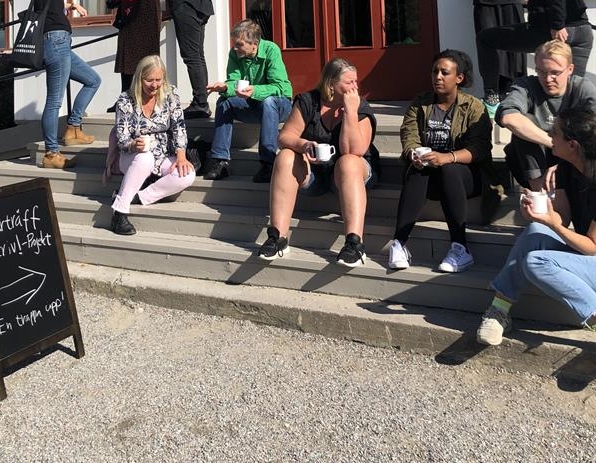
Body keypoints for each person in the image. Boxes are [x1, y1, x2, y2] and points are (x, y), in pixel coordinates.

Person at [476, 106, 596, 346]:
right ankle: (499, 311)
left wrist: (555, 226)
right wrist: (541, 215)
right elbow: (561, 216)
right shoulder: (564, 168)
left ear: (573, 145)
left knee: (537, 261)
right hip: (587, 254)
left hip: (592, 251)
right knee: (534, 232)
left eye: (555, 132)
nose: (549, 134)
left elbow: (593, 247)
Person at [257, 58, 378, 267]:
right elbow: (284, 137)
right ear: (331, 84)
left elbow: (354, 150)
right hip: (315, 175)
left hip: (350, 175)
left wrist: (350, 112)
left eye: (356, 82)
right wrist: (303, 145)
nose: (355, 87)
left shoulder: (360, 107)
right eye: (349, 83)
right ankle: (278, 237)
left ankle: (354, 243)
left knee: (348, 161)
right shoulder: (308, 101)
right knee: (285, 155)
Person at [388, 49, 493, 274]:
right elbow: (409, 135)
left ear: (459, 78)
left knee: (450, 170)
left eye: (444, 72)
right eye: (435, 71)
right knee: (418, 170)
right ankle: (399, 243)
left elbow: (481, 149)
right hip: (430, 177)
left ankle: (460, 247)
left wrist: (447, 158)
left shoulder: (474, 107)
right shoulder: (420, 104)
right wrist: (414, 153)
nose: (437, 76)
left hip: (465, 178)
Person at [109, 55, 195, 235]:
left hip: (162, 154)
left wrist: (181, 156)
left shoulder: (171, 94)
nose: (155, 85)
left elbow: (179, 127)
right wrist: (133, 145)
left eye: (158, 80)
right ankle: (119, 213)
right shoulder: (126, 99)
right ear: (139, 78)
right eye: (149, 80)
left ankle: (137, 197)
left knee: (187, 175)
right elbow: (122, 137)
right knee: (144, 158)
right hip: (132, 156)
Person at [496, 39, 596, 192]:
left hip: (572, 159)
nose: (548, 79)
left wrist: (565, 158)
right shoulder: (527, 85)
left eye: (555, 73)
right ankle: (540, 196)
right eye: (541, 71)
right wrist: (555, 143)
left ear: (570, 69)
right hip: (532, 163)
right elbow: (508, 118)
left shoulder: (582, 89)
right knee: (524, 121)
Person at [35, 0, 101, 169]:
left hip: (61, 44)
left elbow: (53, 7)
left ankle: (73, 127)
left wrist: (72, 5)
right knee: (54, 101)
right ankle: (51, 153)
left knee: (92, 80)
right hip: (55, 43)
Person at [205, 19, 292, 183]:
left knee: (269, 102)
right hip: (253, 105)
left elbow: (281, 87)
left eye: (240, 44)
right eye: (235, 44)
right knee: (224, 102)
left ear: (255, 44)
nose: (235, 48)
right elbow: (233, 81)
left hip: (280, 105)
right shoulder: (235, 54)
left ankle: (268, 163)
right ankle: (220, 161)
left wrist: (256, 90)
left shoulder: (271, 50)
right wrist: (224, 88)